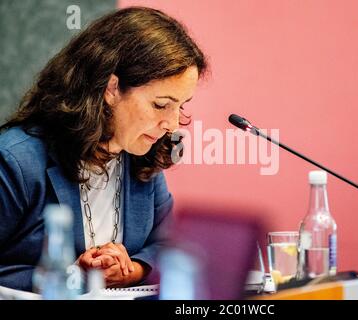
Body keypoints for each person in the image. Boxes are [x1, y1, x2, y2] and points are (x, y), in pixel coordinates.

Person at [0, 7, 208, 291]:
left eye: (180, 106)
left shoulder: (143, 156)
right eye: (161, 105)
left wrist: (131, 270)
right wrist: (72, 275)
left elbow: (166, 245)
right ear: (111, 88)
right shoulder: (16, 161)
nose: (171, 126)